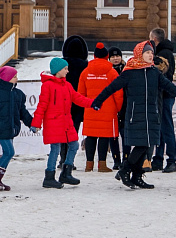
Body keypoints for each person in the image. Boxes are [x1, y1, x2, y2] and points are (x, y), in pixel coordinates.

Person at [91, 41, 176, 190]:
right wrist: (98, 101)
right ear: (139, 54)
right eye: (147, 52)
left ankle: (137, 176)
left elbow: (170, 87)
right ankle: (125, 170)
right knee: (142, 145)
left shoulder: (154, 72)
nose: (151, 55)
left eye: (152, 52)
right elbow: (111, 88)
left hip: (151, 113)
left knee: (146, 145)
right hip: (135, 114)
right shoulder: (129, 73)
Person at [32, 58, 94, 188]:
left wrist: (92, 103)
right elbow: (42, 105)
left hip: (66, 122)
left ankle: (66, 173)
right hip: (54, 122)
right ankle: (49, 177)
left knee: (74, 145)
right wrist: (36, 123)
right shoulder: (47, 85)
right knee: (55, 149)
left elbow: (77, 98)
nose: (68, 71)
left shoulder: (67, 85)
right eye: (65, 69)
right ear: (58, 70)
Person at [78, 42, 122, 172]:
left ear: (94, 56)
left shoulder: (85, 72)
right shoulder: (112, 72)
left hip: (91, 108)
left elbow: (80, 94)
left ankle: (89, 164)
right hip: (108, 110)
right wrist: (118, 109)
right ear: (107, 56)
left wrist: (86, 106)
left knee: (90, 136)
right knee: (104, 136)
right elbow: (118, 94)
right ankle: (102, 164)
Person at [148, 28, 176, 173]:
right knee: (160, 127)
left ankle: (171, 159)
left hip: (165, 95)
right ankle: (158, 159)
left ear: (154, 39)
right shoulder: (165, 52)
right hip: (162, 95)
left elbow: (165, 75)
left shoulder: (163, 53)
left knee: (166, 127)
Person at [61, 34, 89, 166]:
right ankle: (69, 160)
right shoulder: (85, 65)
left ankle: (62, 158)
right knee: (74, 131)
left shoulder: (62, 64)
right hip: (79, 102)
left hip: (63, 102)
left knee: (63, 132)